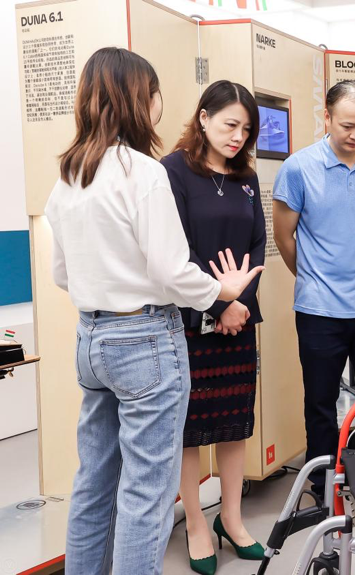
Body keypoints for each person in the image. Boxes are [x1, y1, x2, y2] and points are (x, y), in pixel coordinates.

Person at [45, 48, 263, 575]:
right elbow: (170, 271)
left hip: (92, 339)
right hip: (145, 339)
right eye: (155, 92)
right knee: (146, 492)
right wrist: (222, 293)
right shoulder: (144, 172)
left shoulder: (69, 175)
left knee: (95, 482)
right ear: (139, 99)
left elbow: (62, 274)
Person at [272, 80, 355, 495]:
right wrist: (314, 278)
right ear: (326, 117)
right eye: (347, 125)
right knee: (320, 403)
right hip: (319, 311)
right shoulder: (298, 168)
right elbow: (284, 236)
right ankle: (323, 483)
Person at [161, 80, 265, 574]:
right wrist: (218, 303)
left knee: (233, 423)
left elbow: (258, 244)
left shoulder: (247, 176)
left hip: (240, 319)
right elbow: (177, 248)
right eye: (230, 125)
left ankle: (232, 518)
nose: (238, 138)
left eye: (246, 130)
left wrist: (239, 302)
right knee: (189, 429)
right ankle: (197, 524)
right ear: (203, 118)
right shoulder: (173, 171)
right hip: (191, 319)